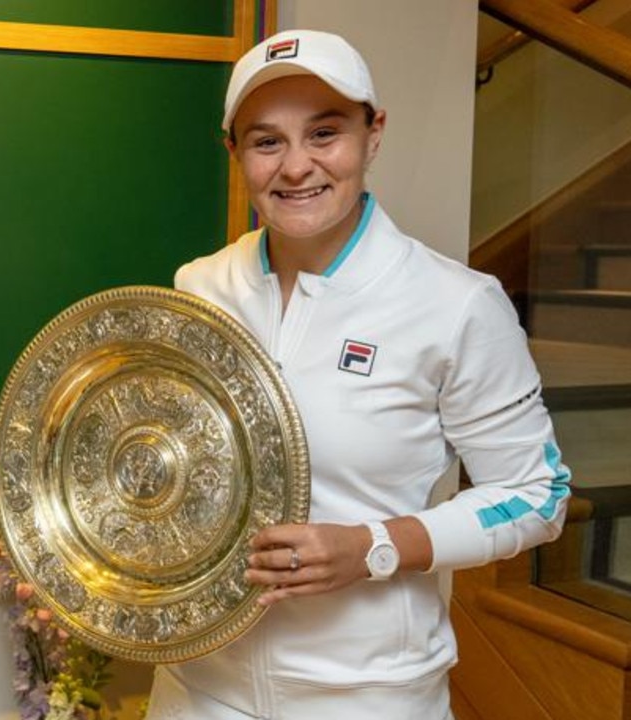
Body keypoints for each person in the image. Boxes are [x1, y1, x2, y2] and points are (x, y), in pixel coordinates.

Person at [145, 29, 571, 720]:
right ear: (235, 154)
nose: (295, 166)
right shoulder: (200, 288)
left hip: (368, 696)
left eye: (324, 133)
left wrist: (372, 547)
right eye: (266, 141)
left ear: (373, 135)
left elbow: (537, 496)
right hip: (197, 689)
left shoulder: (457, 305)